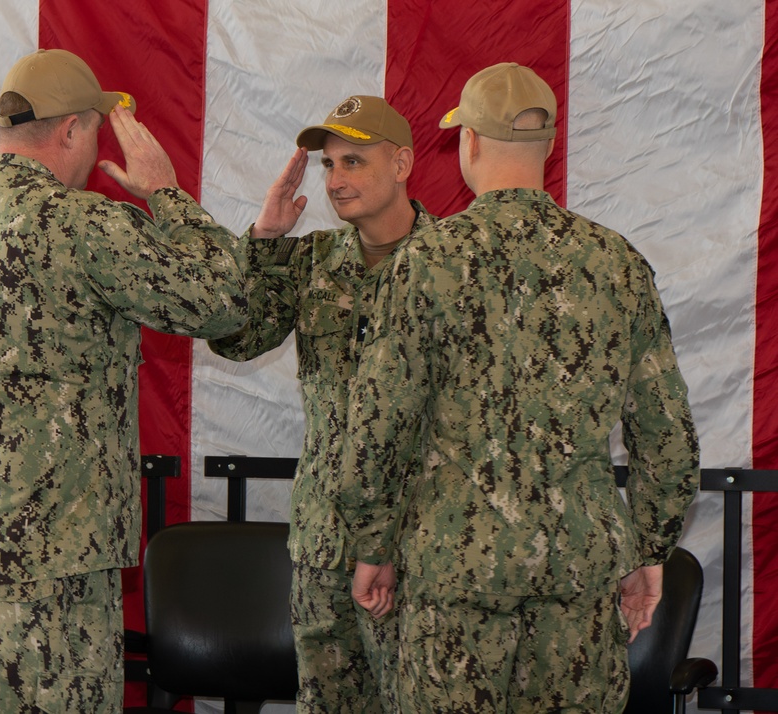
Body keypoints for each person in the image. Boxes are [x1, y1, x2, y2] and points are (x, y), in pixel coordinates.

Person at [0, 48, 247, 712]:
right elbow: (223, 298)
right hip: (46, 566)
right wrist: (165, 192)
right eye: (95, 133)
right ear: (73, 130)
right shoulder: (82, 224)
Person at [342, 62, 700, 712]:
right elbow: (667, 438)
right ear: (549, 144)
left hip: (452, 577)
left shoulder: (422, 262)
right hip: (578, 580)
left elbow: (376, 429)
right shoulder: (616, 265)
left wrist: (372, 545)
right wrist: (649, 549)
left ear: (467, 142)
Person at [209, 95, 437, 713]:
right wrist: (262, 240)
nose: (336, 181)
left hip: (420, 545)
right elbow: (235, 337)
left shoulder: (453, 265)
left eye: (354, 162)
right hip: (323, 546)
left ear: (402, 164)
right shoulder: (311, 262)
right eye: (329, 166)